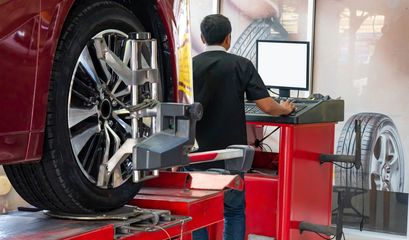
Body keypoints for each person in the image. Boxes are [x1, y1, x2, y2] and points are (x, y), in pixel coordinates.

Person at [192, 14, 295, 240]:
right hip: (231, 157)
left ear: (202, 38)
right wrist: (285, 109)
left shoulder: (190, 66)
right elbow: (268, 106)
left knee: (197, 213)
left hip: (196, 157)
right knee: (234, 210)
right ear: (228, 39)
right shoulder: (241, 65)